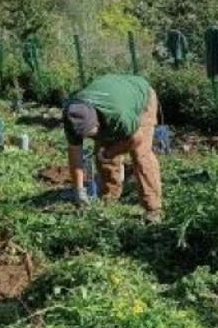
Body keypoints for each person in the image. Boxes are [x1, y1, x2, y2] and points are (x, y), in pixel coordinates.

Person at [62, 73, 163, 223]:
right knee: (102, 152)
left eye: (92, 133)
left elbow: (136, 139)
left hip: (140, 97)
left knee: (140, 155)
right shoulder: (72, 116)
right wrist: (79, 191)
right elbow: (75, 155)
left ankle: (153, 209)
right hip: (112, 95)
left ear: (97, 121)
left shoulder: (120, 116)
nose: (91, 138)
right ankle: (109, 199)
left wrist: (110, 152)